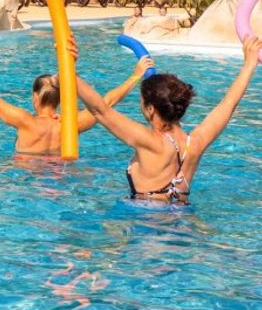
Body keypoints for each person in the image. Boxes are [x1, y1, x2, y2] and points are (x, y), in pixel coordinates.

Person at [77, 35, 260, 204]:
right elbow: (229, 103)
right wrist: (249, 63)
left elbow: (100, 110)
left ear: (150, 109)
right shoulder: (195, 142)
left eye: (141, 102)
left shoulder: (149, 141)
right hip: (183, 220)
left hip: (149, 225)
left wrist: (69, 71)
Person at [0, 39, 153, 157]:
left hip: (25, 177)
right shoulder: (71, 125)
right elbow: (107, 103)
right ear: (59, 99)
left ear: (35, 97)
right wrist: (136, 74)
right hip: (60, 176)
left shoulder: (24, 121)